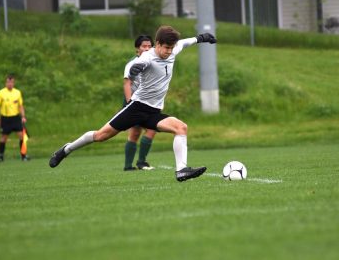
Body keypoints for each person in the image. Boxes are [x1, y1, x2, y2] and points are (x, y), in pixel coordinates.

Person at [49, 26, 217, 182]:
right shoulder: (147, 57)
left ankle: (181, 170)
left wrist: (201, 38)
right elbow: (138, 65)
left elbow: (184, 43)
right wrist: (134, 70)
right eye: (166, 48)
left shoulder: (173, 49)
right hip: (137, 108)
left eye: (171, 48)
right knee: (101, 136)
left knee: (181, 128)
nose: (169, 51)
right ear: (157, 44)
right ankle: (66, 150)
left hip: (154, 112)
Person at [123, 35, 156, 171]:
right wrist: (129, 101)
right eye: (144, 46)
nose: (147, 48)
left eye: (149, 46)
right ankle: (128, 166)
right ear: (137, 49)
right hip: (135, 102)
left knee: (152, 129)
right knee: (135, 133)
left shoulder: (153, 62)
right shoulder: (132, 63)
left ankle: (142, 162)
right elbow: (127, 83)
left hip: (149, 103)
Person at [0, 74, 29, 162]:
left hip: (16, 118)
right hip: (5, 118)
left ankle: (23, 155)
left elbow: (20, 106)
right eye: (8, 82)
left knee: (22, 136)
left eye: (11, 82)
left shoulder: (17, 92)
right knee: (3, 137)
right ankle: (1, 156)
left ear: (14, 83)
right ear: (5, 83)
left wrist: (23, 116)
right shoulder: (1, 93)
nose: (10, 84)